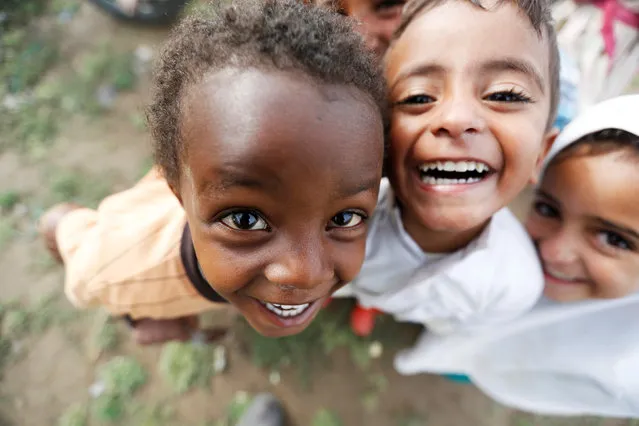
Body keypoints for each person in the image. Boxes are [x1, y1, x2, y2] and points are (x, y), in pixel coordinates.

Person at [39, 0, 386, 344]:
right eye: (245, 220)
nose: (306, 273)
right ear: (177, 193)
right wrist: (134, 317)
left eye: (344, 218)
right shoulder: (116, 271)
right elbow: (61, 231)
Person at [336, 0, 562, 376]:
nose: (456, 119)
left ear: (540, 153)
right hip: (363, 279)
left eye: (505, 95)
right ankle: (369, 301)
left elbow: (465, 328)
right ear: (381, 138)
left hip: (433, 314)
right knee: (364, 286)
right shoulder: (345, 223)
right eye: (418, 98)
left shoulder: (516, 282)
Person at [423, 95, 639, 417]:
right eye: (547, 209)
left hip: (507, 367)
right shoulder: (494, 248)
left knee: (472, 362)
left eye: (613, 239)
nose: (553, 251)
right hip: (462, 314)